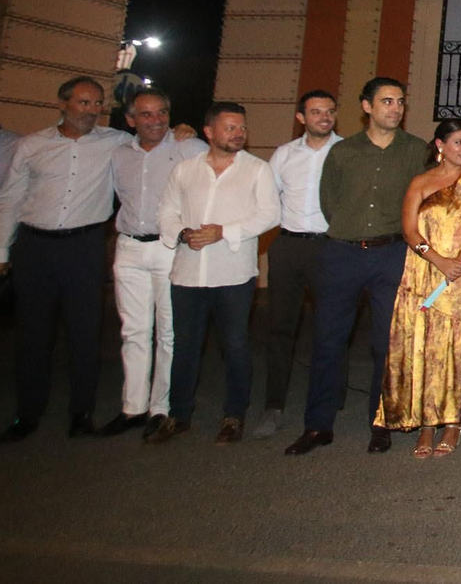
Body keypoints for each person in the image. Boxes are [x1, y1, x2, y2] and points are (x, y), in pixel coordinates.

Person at [284, 77, 431, 456]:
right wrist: (351, 234)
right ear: (366, 107)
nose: (395, 108)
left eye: (400, 101)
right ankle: (318, 426)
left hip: (391, 254)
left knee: (386, 343)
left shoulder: (415, 151)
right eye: (386, 102)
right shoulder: (343, 152)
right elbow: (329, 201)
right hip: (342, 255)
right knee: (328, 340)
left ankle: (380, 423)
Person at [0, 77, 131, 441]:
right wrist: (2, 251)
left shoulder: (116, 142)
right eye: (83, 103)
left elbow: (153, 143)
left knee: (84, 333)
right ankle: (27, 415)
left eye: (97, 104)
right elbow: (10, 198)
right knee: (33, 336)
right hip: (34, 246)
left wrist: (180, 133)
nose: (91, 111)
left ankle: (81, 412)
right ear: (62, 103)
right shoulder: (33, 145)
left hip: (84, 247)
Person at [150, 102, 279, 445]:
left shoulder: (257, 170)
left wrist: (224, 231)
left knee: (235, 344)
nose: (239, 134)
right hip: (188, 272)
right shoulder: (185, 170)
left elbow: (269, 214)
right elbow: (166, 210)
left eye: (242, 128)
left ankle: (234, 415)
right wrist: (181, 233)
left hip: (233, 273)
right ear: (209, 131)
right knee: (185, 345)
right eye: (231, 128)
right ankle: (178, 414)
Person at [377, 120, 461, 458]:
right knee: (426, 343)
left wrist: (457, 260)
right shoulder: (420, 182)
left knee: (458, 345)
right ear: (440, 145)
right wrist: (437, 260)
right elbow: (409, 231)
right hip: (426, 271)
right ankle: (426, 423)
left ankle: (453, 421)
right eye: (458, 142)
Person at [101, 87, 206, 439]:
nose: (156, 120)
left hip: (169, 248)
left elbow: (222, 168)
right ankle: (132, 407)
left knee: (169, 332)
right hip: (129, 248)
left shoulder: (187, 148)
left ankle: (161, 408)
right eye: (146, 114)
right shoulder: (117, 154)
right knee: (133, 332)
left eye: (162, 112)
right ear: (130, 119)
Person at [256, 89, 342, 439]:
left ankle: (331, 399)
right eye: (316, 111)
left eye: (330, 111)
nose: (324, 117)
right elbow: (267, 198)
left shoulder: (346, 152)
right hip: (288, 245)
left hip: (330, 246)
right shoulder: (283, 155)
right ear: (301, 117)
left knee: (333, 327)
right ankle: (273, 405)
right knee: (280, 328)